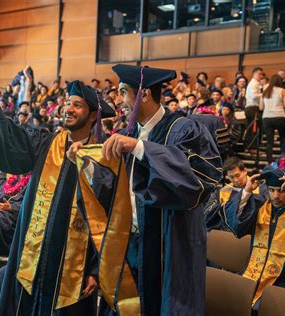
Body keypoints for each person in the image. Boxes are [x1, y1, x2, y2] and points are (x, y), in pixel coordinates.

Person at [0, 68, 116, 315]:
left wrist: (95, 270)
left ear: (94, 116)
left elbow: (107, 218)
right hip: (33, 254)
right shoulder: (46, 143)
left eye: (78, 105)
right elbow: (10, 140)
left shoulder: (103, 159)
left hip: (73, 267)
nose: (69, 109)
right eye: (68, 103)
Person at [101, 64, 222, 315]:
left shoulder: (183, 128)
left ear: (144, 94)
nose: (119, 101)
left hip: (170, 243)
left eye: (124, 92)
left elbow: (202, 179)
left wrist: (141, 148)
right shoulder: (129, 132)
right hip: (133, 242)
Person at [224, 169, 285, 310]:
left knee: (262, 306)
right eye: (271, 190)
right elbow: (236, 227)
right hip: (254, 272)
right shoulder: (260, 208)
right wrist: (247, 191)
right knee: (229, 296)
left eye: (281, 191)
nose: (275, 196)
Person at [204, 157, 267, 231]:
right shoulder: (222, 192)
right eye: (231, 177)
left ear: (245, 171)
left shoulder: (261, 189)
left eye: (237, 175)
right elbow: (206, 215)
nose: (236, 180)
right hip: (227, 233)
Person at [259, 74, 285, 164]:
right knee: (283, 139)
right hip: (279, 116)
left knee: (269, 142)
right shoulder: (283, 91)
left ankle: (269, 162)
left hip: (267, 118)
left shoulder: (265, 91)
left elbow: (261, 108)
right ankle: (283, 160)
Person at [245, 67, 264, 151]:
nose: (261, 76)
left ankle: (251, 147)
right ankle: (252, 148)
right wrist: (263, 94)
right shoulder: (254, 83)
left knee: (253, 128)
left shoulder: (255, 83)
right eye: (259, 74)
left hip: (252, 108)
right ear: (254, 74)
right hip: (252, 108)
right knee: (254, 129)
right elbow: (253, 96)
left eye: (262, 74)